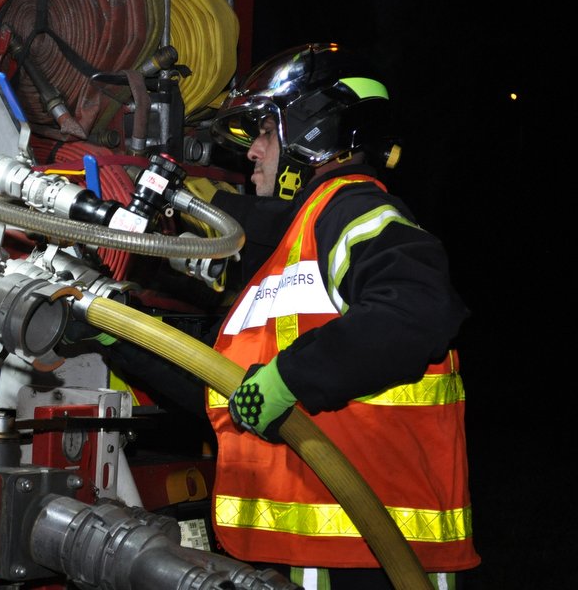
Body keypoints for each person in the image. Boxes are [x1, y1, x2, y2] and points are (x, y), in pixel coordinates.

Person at [200, 42, 480, 589]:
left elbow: (416, 309)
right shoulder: (295, 249)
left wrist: (291, 379)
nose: (252, 153)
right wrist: (118, 332)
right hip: (323, 552)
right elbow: (221, 386)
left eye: (264, 132)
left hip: (375, 561)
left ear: (314, 132)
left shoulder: (353, 206)